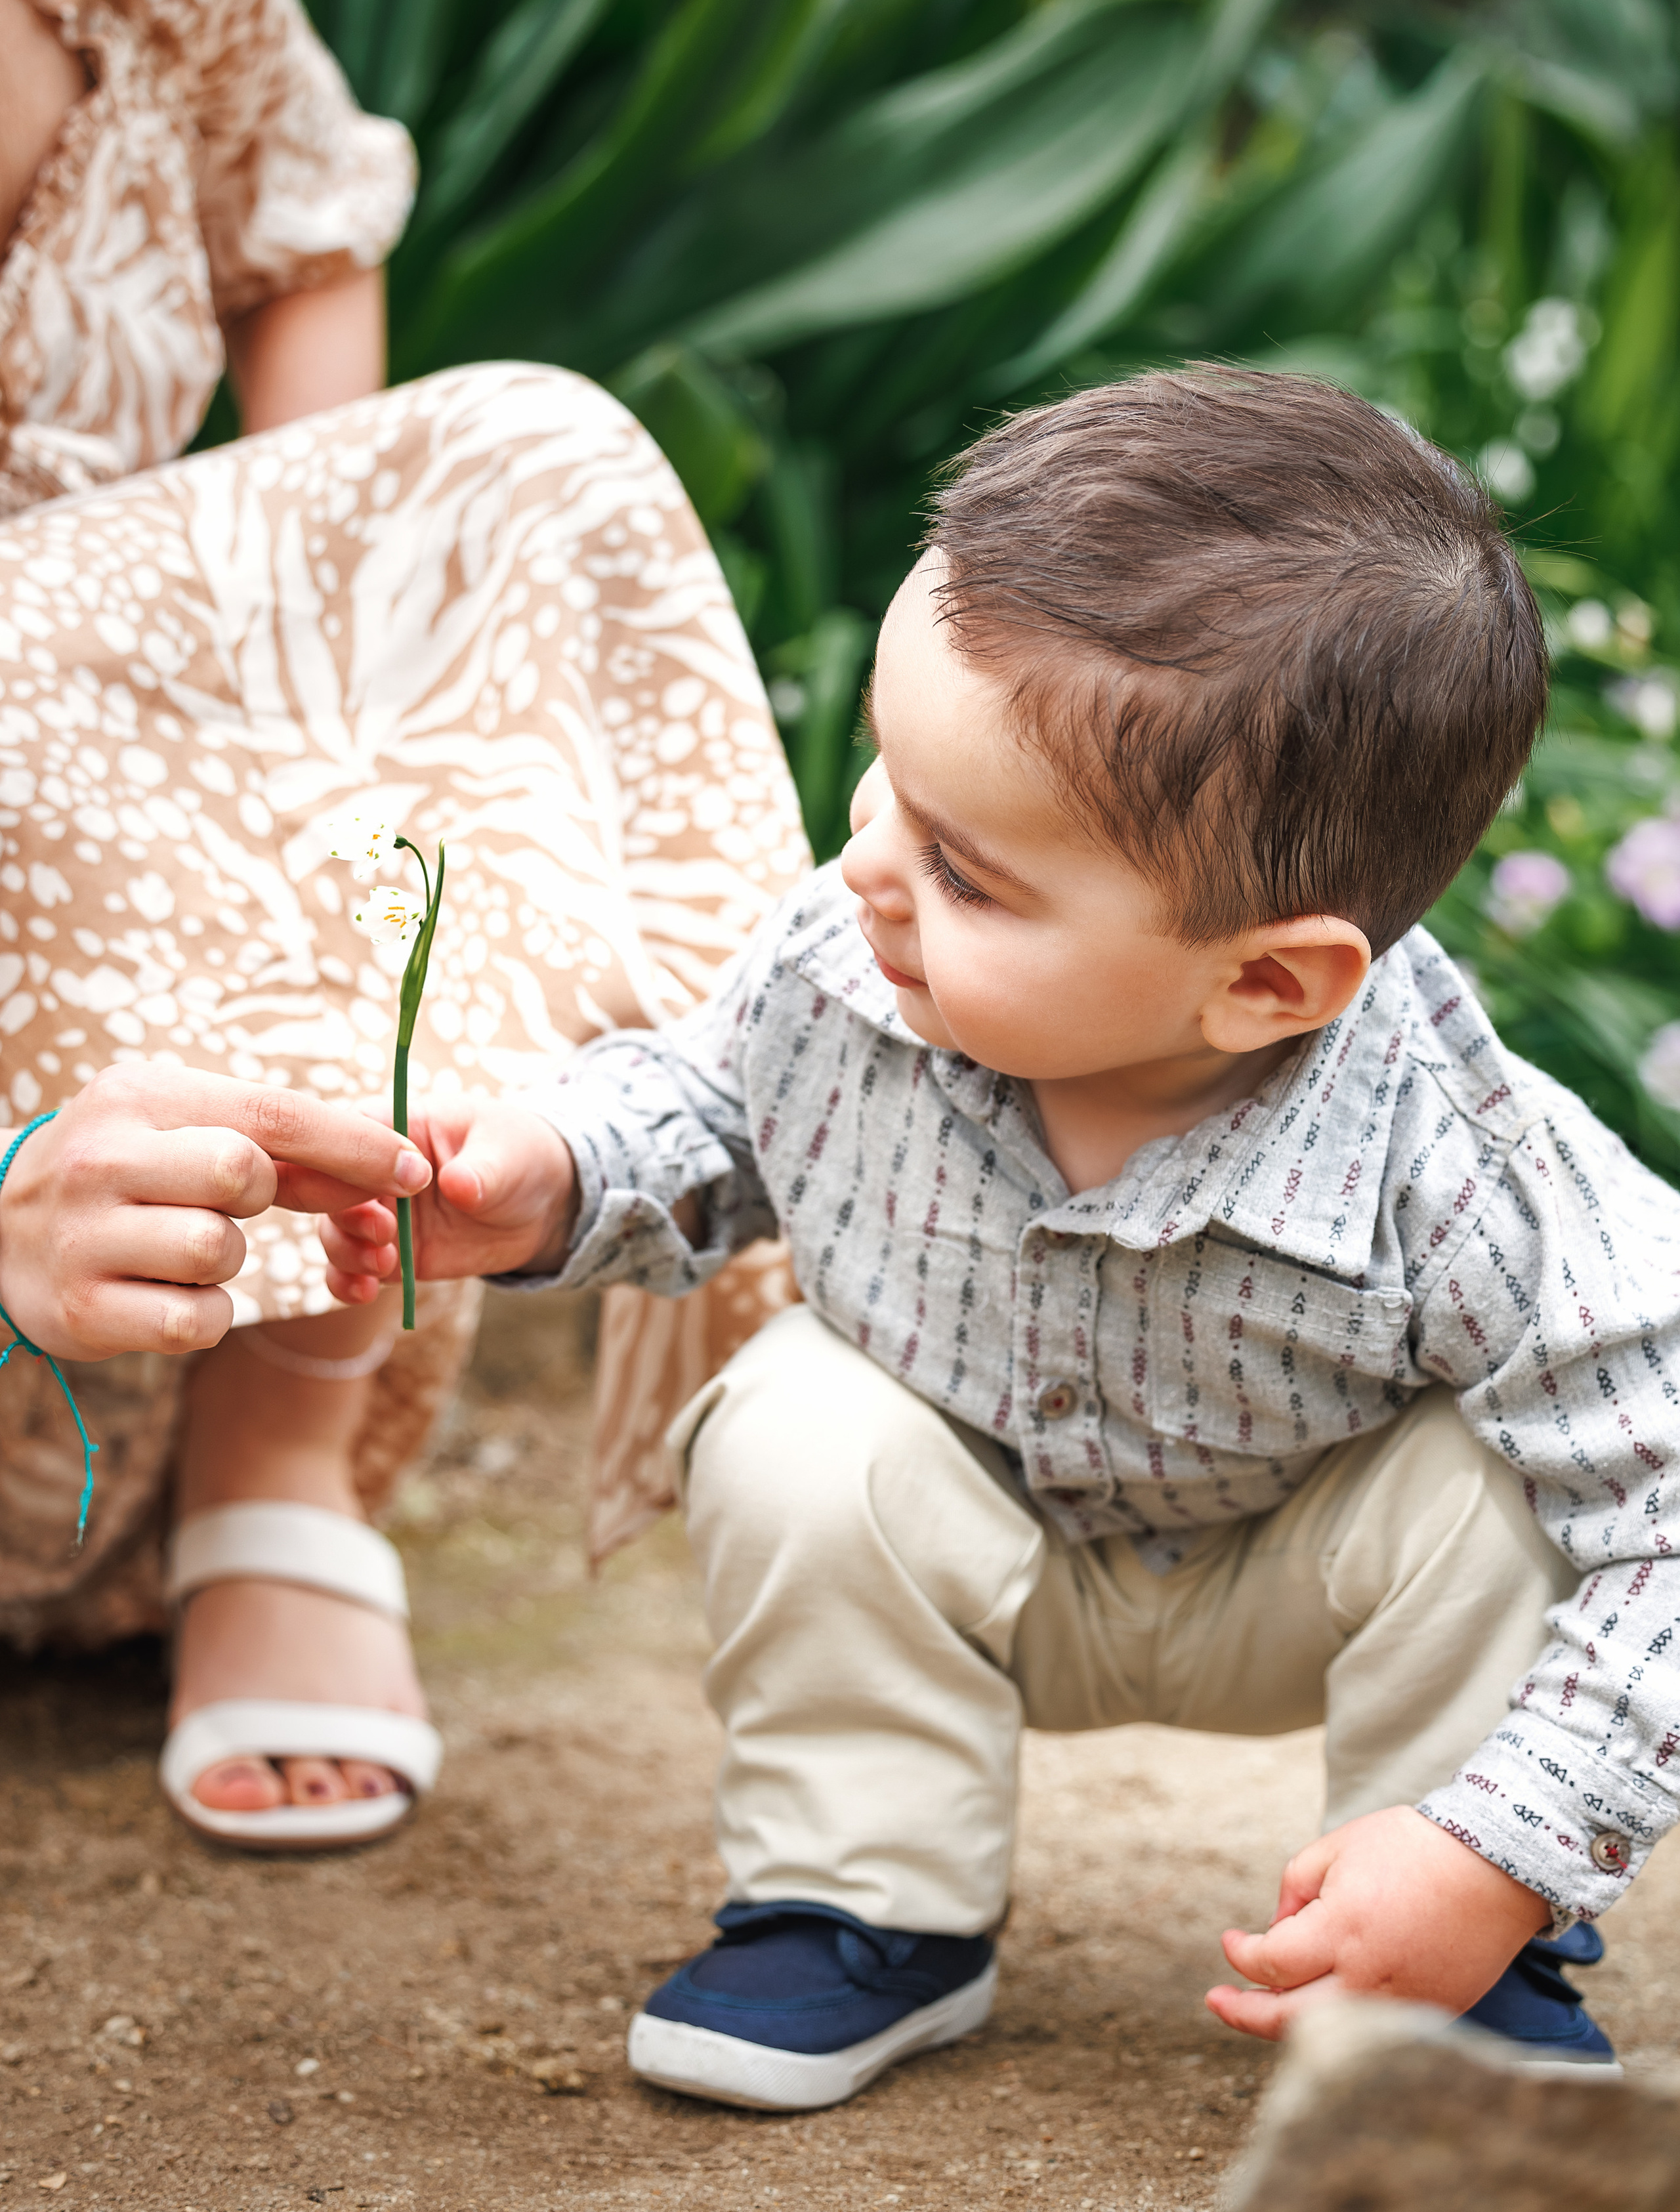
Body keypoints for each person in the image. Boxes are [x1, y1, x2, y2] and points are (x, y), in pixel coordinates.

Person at [325, 367, 1673, 2104]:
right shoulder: (847, 959)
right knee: (795, 1409)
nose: (869, 868)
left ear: (1266, 981)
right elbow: (709, 1103)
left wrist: (1506, 1841)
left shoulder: (1472, 1165)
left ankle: (1446, 1953)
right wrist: (549, 1178)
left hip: (1311, 1563)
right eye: (884, 784)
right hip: (973, 1536)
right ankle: (862, 1902)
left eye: (968, 871)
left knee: (1517, 1490)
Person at [0, 0, 807, 1844]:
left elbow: (300, 240)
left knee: (516, 465)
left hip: (98, 712)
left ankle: (283, 1453)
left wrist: (298, 661)